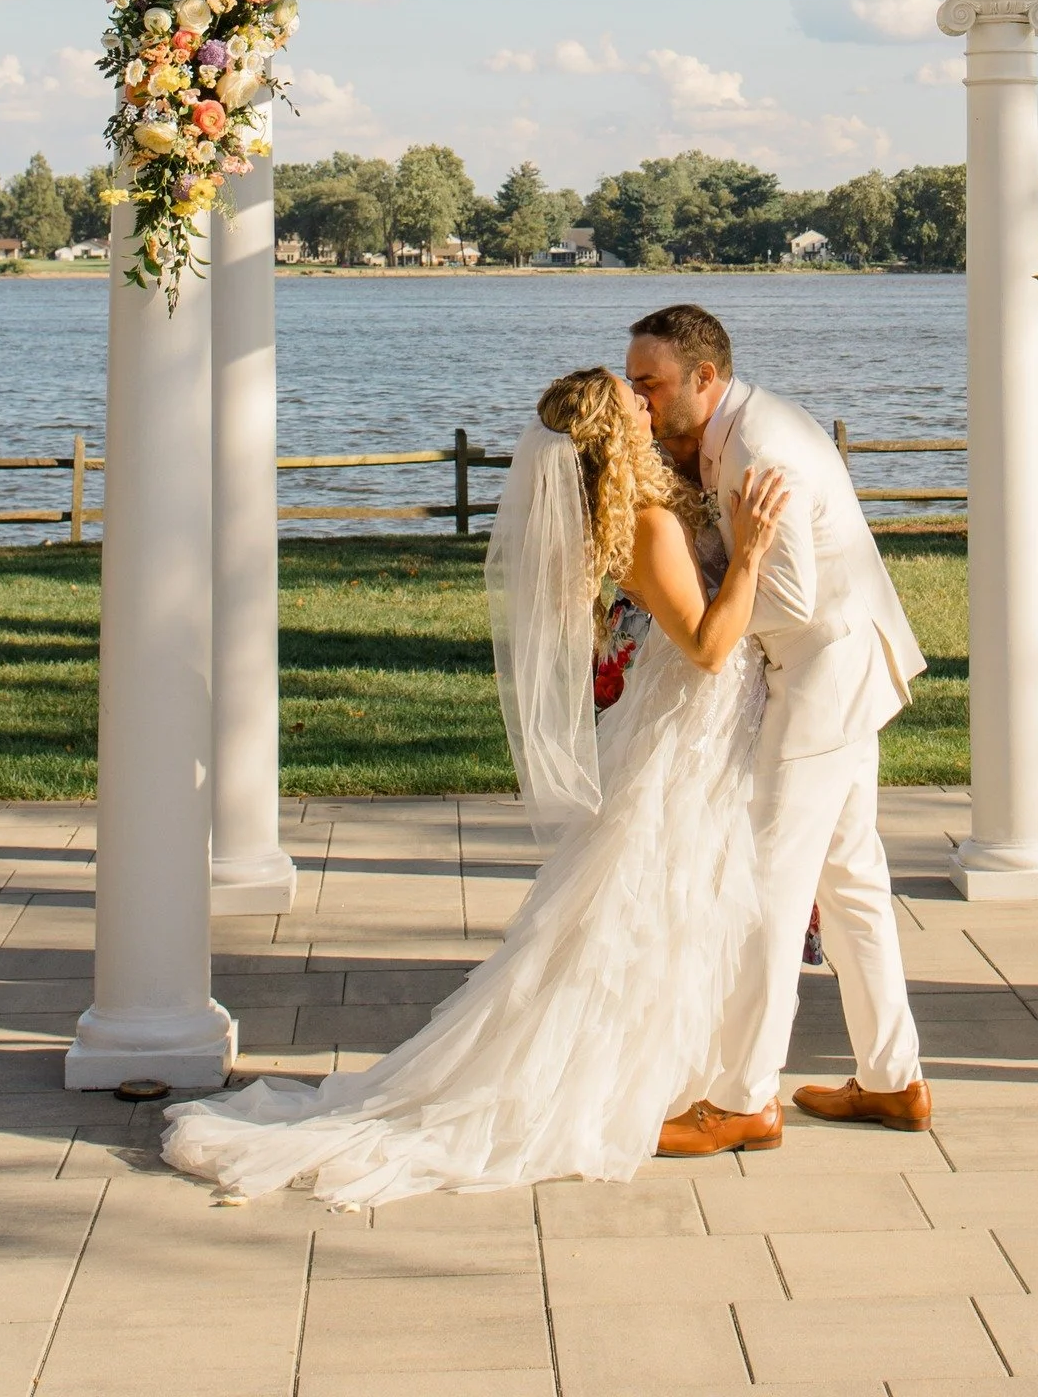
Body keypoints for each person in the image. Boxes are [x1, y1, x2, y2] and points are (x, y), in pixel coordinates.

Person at [160, 368, 787, 1207]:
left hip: (678, 724)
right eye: (631, 399)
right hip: (686, 726)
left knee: (664, 899)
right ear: (614, 432)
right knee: (652, 900)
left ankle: (680, 1073)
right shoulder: (646, 523)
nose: (646, 402)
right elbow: (710, 646)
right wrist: (750, 552)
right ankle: (624, 1081)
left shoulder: (640, 511)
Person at [625, 304, 931, 1152]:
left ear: (705, 379)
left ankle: (740, 1098)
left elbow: (789, 599)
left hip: (822, 677)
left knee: (771, 881)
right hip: (833, 666)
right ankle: (891, 1080)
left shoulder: (759, 449)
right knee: (850, 878)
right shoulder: (734, 433)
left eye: (648, 385)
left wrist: (706, 579)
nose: (637, 401)